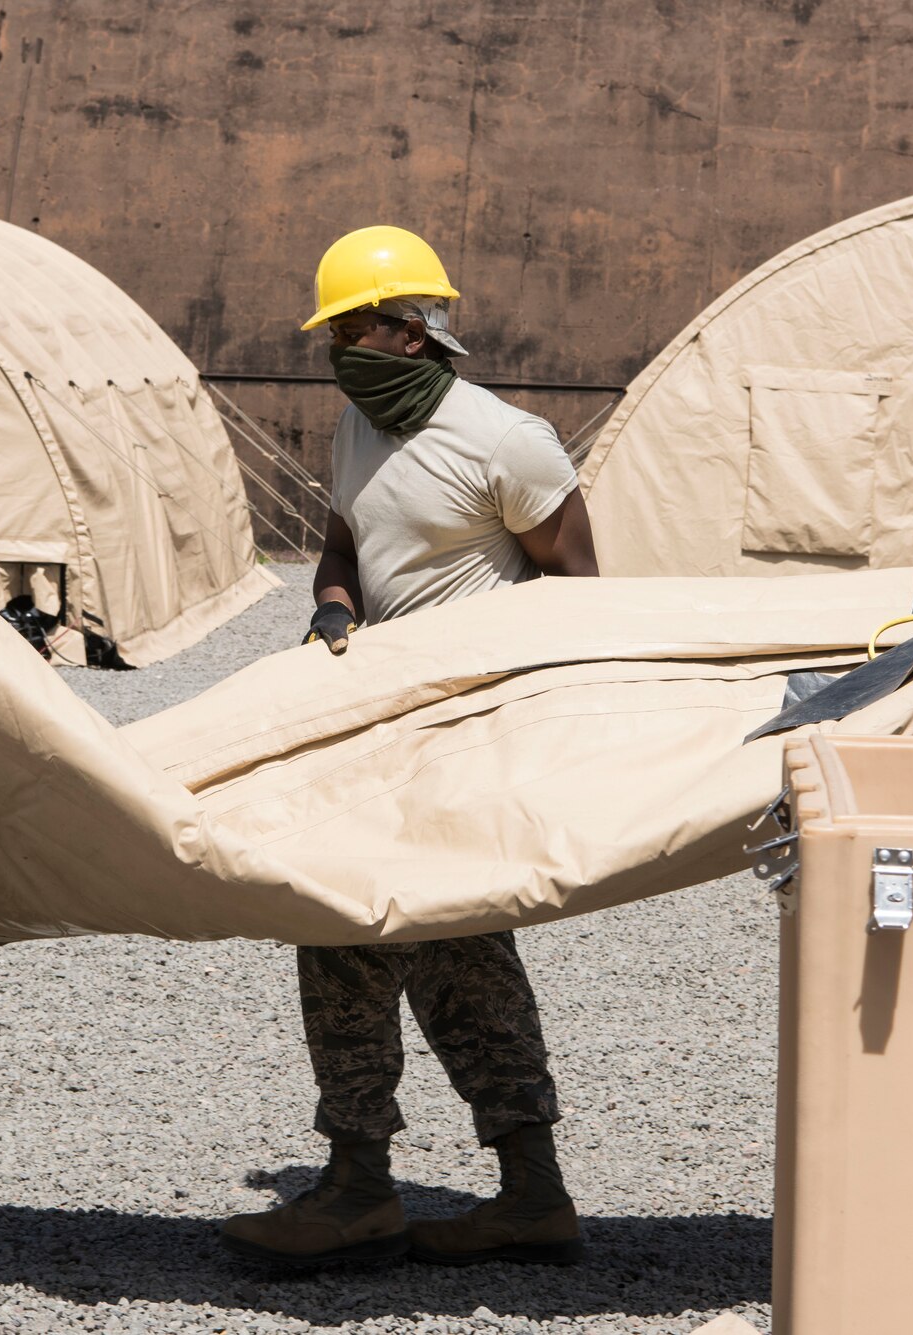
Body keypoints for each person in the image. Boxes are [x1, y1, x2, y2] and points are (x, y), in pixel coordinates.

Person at [220, 226, 599, 1269]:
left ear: (415, 328)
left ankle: (369, 1185)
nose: (337, 348)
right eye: (331, 331)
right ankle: (507, 1189)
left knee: (425, 940)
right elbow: (343, 545)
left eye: (353, 328)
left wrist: (520, 722)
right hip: (377, 731)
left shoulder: (506, 441)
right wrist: (334, 609)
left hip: (467, 736)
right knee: (376, 930)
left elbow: (579, 597)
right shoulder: (355, 427)